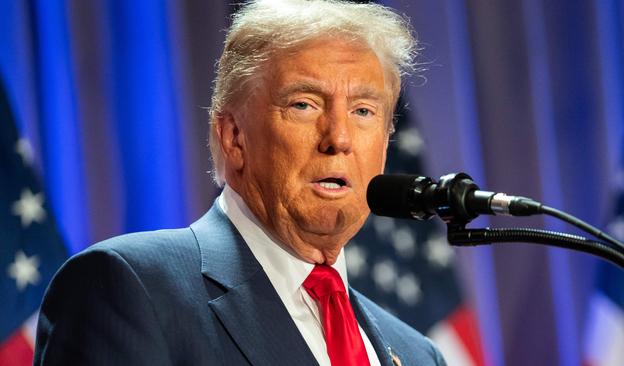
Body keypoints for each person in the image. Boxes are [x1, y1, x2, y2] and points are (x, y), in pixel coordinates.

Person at [33, 1, 447, 365]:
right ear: (234, 137)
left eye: (363, 111)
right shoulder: (129, 289)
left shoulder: (415, 353)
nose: (338, 137)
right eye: (304, 104)